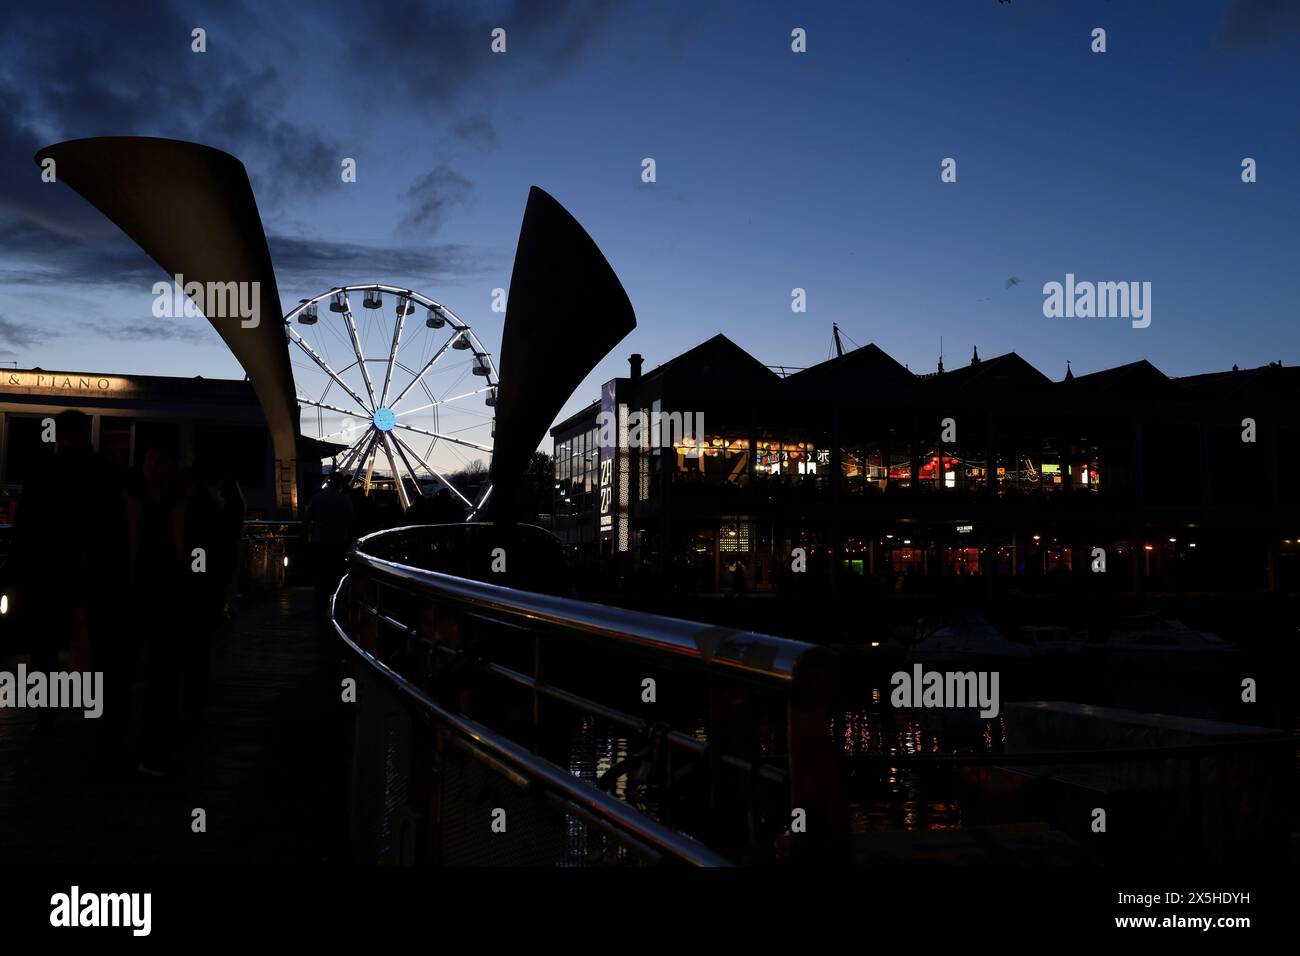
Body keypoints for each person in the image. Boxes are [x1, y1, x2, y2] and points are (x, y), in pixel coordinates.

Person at [308, 474, 355, 614]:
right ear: (340, 484)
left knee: (320, 571)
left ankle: (319, 602)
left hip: (320, 539)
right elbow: (351, 519)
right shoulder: (345, 499)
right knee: (336, 571)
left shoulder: (318, 498)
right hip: (339, 540)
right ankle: (335, 600)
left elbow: (308, 516)